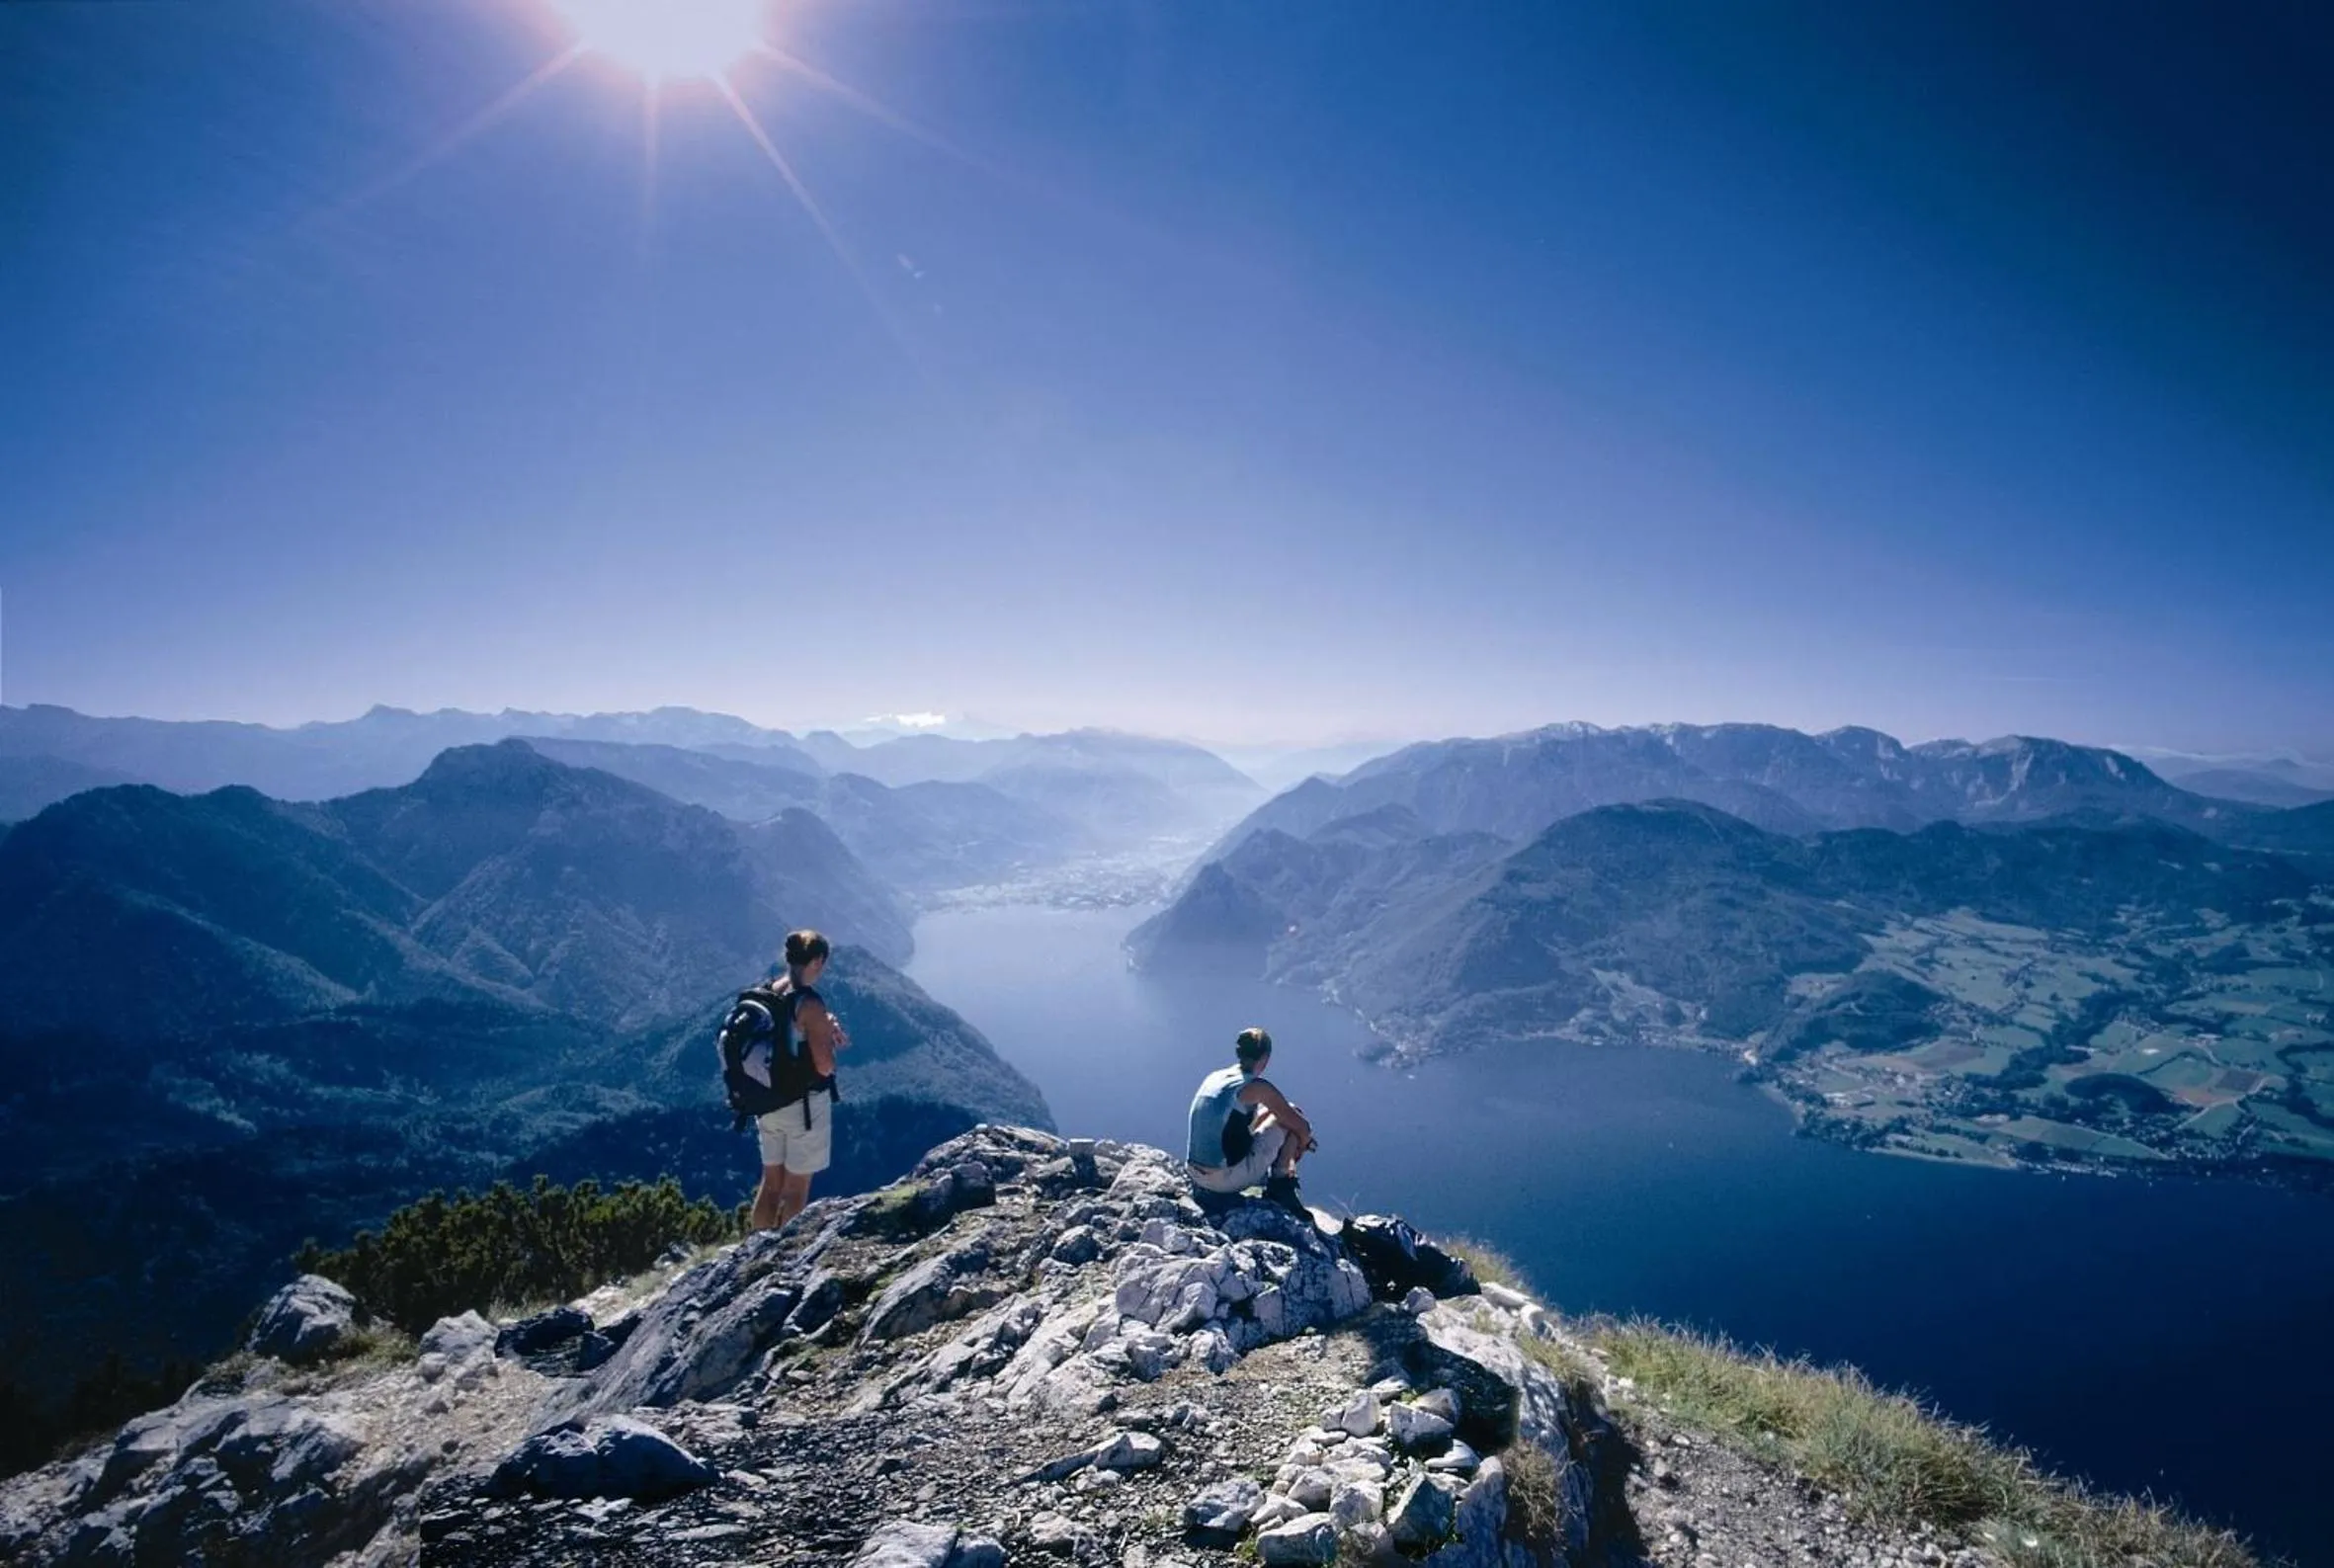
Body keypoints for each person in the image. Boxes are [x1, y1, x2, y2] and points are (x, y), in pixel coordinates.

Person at [746, 930, 850, 1232]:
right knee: (796, 1188)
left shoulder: (769, 991)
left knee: (770, 1183)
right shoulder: (811, 1004)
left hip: (766, 1102)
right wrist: (826, 1034)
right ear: (817, 961)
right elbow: (824, 1066)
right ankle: (786, 1257)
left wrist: (820, 1024)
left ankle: (757, 1248)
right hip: (802, 1106)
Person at [1185, 1026, 1314, 1213]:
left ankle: (1274, 1179)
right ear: (1265, 1059)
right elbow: (1301, 1125)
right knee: (1293, 1116)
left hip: (1194, 1173)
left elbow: (1234, 1123)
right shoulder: (1258, 1087)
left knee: (1275, 1114)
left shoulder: (1216, 1077)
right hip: (1222, 1181)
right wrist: (1304, 1143)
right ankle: (1281, 1184)